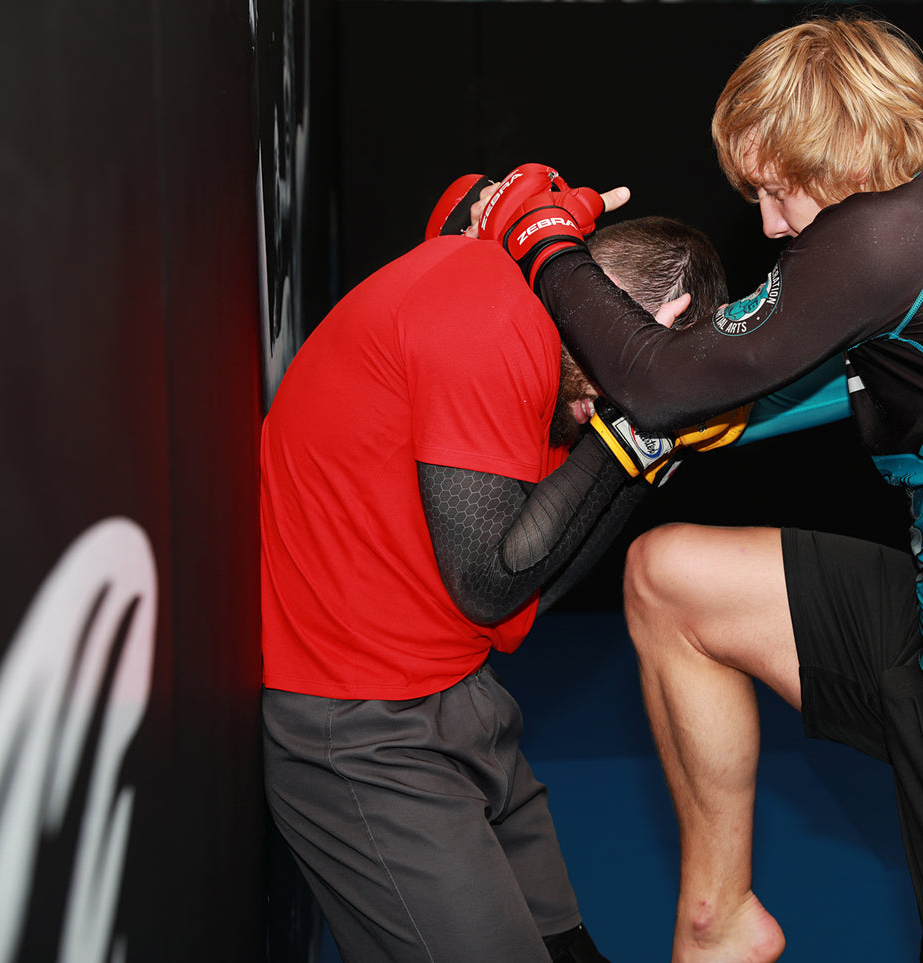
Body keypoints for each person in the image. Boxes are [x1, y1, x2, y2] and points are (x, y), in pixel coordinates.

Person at [473, 13, 923, 963]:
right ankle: (721, 923)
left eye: (776, 188)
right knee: (672, 578)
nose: (765, 222)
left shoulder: (891, 237)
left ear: (842, 147)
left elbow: (665, 384)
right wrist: (677, 413)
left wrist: (541, 238)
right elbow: (761, 396)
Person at [258, 176, 733, 963]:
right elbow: (487, 583)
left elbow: (527, 597)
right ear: (637, 317)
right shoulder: (491, 308)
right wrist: (631, 435)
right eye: (650, 361)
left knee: (568, 950)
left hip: (457, 695)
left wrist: (647, 452)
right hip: (360, 726)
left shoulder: (542, 355)